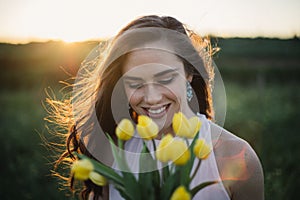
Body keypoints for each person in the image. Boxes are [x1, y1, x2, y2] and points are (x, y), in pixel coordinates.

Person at [47, 15, 264, 200]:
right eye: (135, 83)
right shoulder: (112, 154)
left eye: (165, 78)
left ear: (189, 74)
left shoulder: (236, 156)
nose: (151, 98)